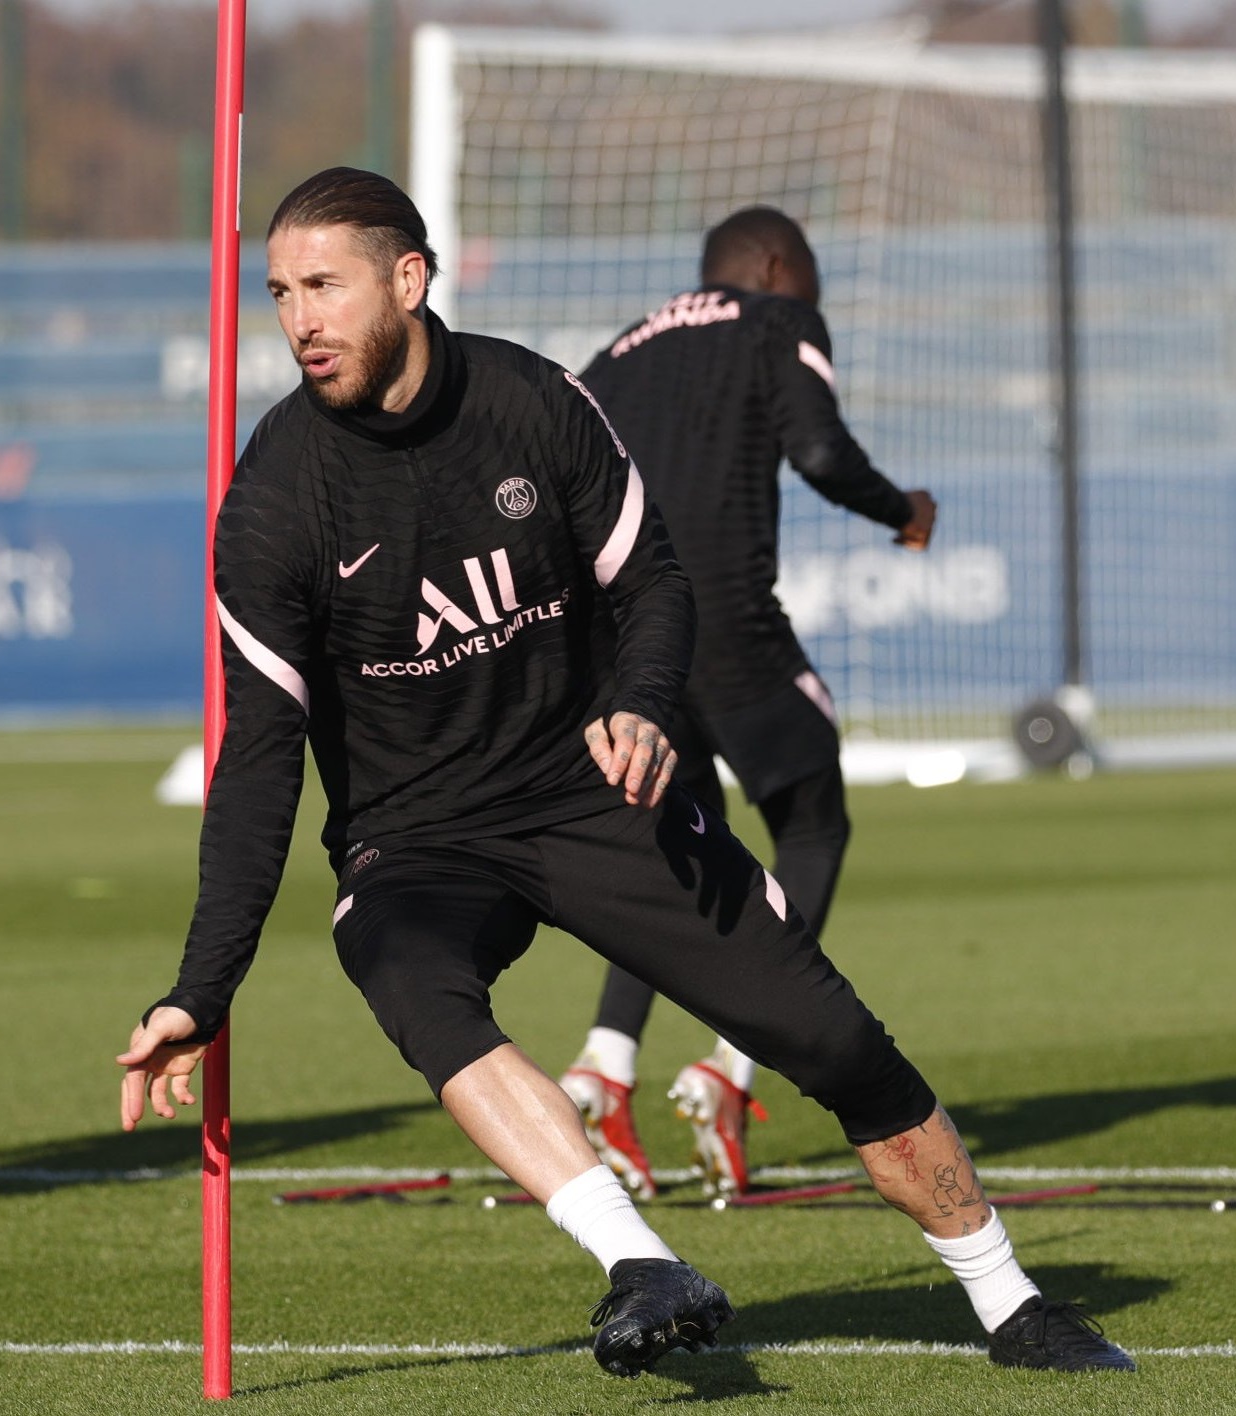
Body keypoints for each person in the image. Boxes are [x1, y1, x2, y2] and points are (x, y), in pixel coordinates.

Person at [116, 168, 1133, 1380]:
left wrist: (642, 705)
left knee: (837, 1044)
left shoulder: (534, 401)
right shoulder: (273, 500)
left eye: (324, 286)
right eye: (280, 292)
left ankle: (1013, 1306)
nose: (299, 320)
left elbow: (653, 580)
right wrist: (200, 990)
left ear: (409, 279)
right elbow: (255, 765)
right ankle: (639, 1262)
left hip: (589, 791)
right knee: (409, 978)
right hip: (415, 833)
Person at [558, 207, 939, 1203]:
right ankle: (729, 1069)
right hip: (723, 620)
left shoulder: (616, 353)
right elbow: (818, 451)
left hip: (623, 643)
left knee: (682, 846)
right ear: (774, 267)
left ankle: (603, 1064)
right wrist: (902, 510)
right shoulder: (778, 320)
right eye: (808, 275)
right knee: (812, 825)